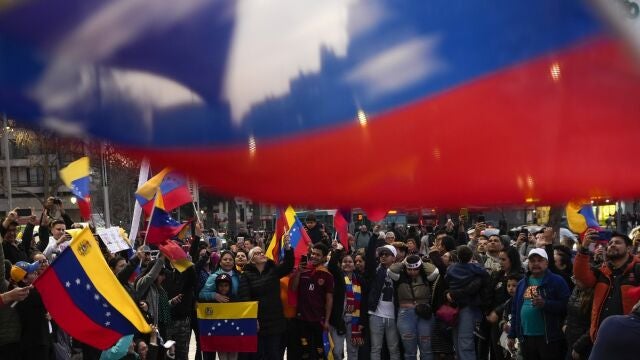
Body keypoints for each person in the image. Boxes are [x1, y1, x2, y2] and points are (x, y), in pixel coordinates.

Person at [573, 229, 640, 341]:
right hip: (601, 337)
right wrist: (584, 249)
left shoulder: (637, 269)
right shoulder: (601, 272)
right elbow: (581, 277)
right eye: (610, 243)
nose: (612, 245)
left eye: (617, 243)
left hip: (630, 338)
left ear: (628, 249)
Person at [507, 248, 570, 360]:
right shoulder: (522, 283)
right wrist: (512, 335)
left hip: (549, 339)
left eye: (539, 260)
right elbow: (515, 310)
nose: (536, 264)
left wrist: (546, 304)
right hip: (525, 338)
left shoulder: (557, 281)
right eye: (532, 261)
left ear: (546, 262)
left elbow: (567, 307)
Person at [238, 238, 294, 360]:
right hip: (257, 322)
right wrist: (253, 318)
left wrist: (288, 248)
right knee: (258, 355)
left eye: (262, 252)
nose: (262, 254)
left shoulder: (273, 270)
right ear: (252, 260)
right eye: (257, 253)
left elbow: (289, 265)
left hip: (275, 320)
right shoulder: (246, 275)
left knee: (274, 354)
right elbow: (245, 298)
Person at [390, 254, 439, 360]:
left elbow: (435, 272)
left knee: (426, 349)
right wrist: (404, 262)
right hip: (405, 314)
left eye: (416, 269)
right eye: (409, 269)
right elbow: (391, 270)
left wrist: (421, 262)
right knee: (409, 351)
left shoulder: (425, 275)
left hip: (424, 314)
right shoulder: (400, 276)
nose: (412, 272)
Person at [291, 243, 334, 360]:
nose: (314, 256)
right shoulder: (303, 270)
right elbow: (294, 289)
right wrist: (298, 272)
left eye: (318, 255)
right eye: (313, 253)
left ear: (324, 258)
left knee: (320, 351)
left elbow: (329, 299)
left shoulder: (327, 275)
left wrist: (326, 321)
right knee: (305, 351)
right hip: (302, 318)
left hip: (318, 319)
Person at [445, 245, 488, 360]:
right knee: (466, 342)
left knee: (457, 340)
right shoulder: (474, 268)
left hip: (453, 306)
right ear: (471, 256)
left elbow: (446, 280)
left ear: (457, 257)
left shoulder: (451, 268)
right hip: (468, 307)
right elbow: (485, 274)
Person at [327, 242, 368, 360]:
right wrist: (338, 250)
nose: (347, 264)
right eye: (345, 262)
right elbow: (332, 266)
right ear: (341, 264)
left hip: (354, 322)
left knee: (353, 352)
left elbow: (364, 303)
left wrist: (362, 322)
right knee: (337, 351)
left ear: (354, 265)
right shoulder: (338, 277)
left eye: (350, 262)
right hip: (338, 320)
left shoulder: (360, 280)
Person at [365, 241, 401, 360]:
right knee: (376, 348)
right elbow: (369, 258)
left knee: (394, 349)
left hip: (393, 316)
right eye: (381, 254)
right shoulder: (375, 271)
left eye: (387, 254)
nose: (383, 256)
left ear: (394, 257)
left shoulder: (400, 272)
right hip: (376, 315)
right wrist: (374, 237)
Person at [563, 276, 593, 360]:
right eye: (574, 278)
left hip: (584, 345)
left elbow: (595, 324)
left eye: (578, 279)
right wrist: (565, 324)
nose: (575, 282)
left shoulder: (594, 292)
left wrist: (578, 346)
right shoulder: (577, 288)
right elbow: (570, 310)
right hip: (571, 341)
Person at [214, 274, 238, 360]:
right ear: (217, 286)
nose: (223, 288)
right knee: (222, 355)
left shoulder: (235, 298)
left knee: (233, 355)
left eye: (226, 285)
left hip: (234, 333)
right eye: (220, 285)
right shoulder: (213, 300)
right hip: (220, 333)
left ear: (230, 286)